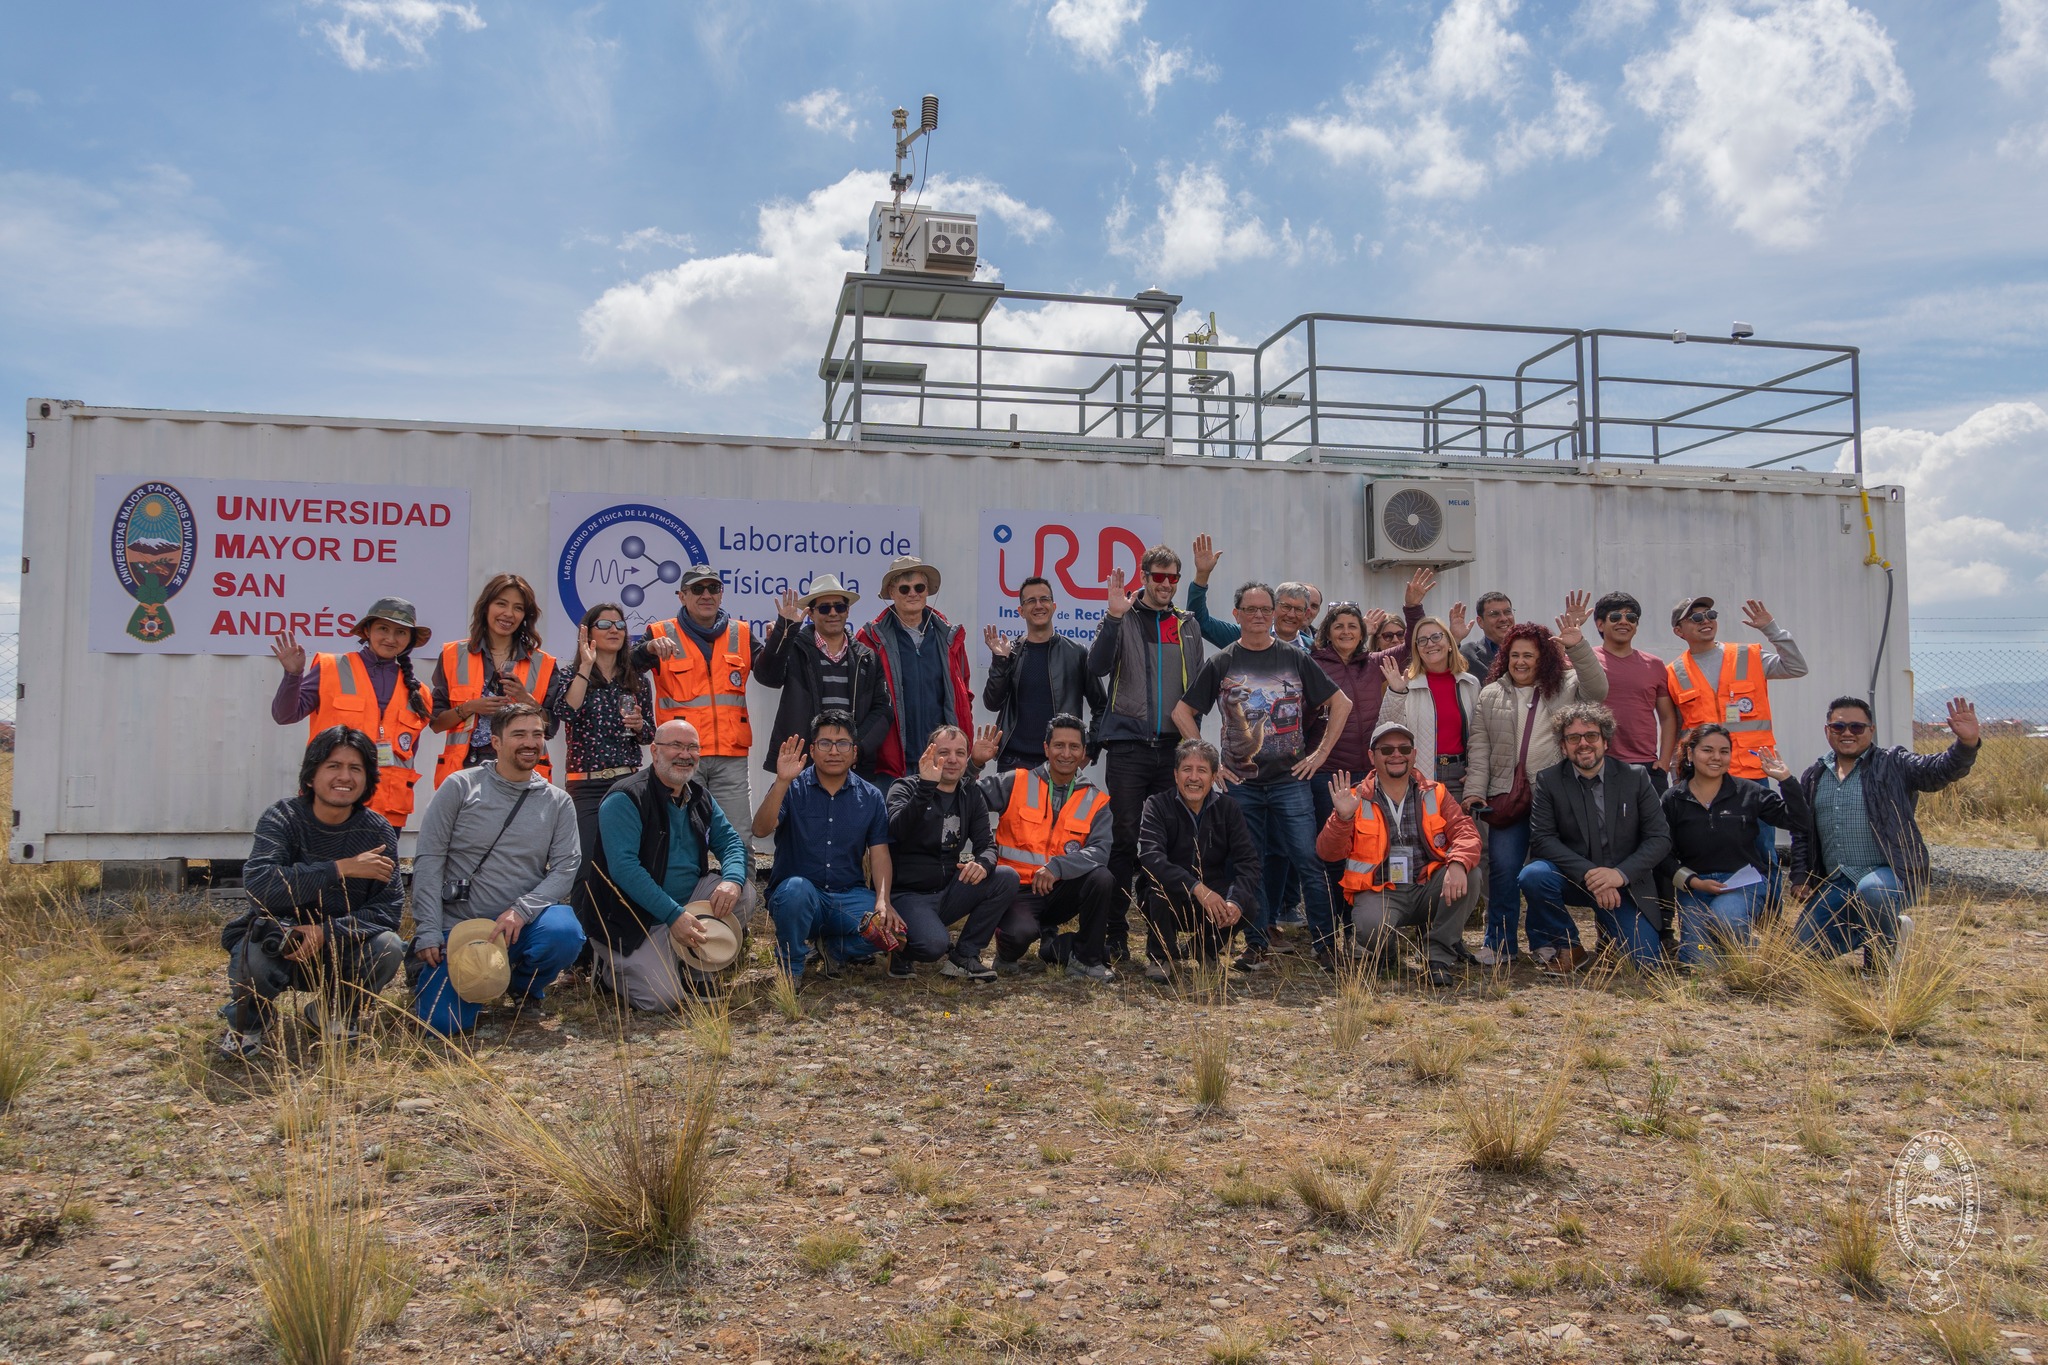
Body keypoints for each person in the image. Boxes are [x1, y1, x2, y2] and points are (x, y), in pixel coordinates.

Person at [1172, 582, 1351, 972]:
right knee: (1248, 866)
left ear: (1272, 614)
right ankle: (1256, 945)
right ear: (1236, 614)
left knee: (1309, 860)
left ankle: (1325, 946)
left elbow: (1341, 702)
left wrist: (1320, 755)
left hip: (1290, 781)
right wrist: (1209, 763)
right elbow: (1182, 712)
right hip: (1241, 784)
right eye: (1250, 609)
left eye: (1264, 609)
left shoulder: (1294, 657)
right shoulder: (1222, 662)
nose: (1258, 616)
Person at [219, 727, 408, 1058]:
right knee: (253, 954)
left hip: (340, 945)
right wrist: (342, 868)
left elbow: (388, 910)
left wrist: (325, 932)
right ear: (311, 775)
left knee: (388, 947)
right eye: (333, 766)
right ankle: (250, 1023)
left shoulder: (377, 831)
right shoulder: (283, 817)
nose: (344, 777)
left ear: (367, 779)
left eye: (355, 768)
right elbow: (260, 885)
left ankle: (332, 1014)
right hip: (281, 941)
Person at [409, 703, 586, 1033]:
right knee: (443, 1025)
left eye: (537, 734)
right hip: (460, 929)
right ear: (496, 742)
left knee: (564, 932)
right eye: (519, 735)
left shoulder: (558, 801)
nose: (530, 743)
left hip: (520, 927)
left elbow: (566, 868)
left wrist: (521, 910)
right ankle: (452, 978)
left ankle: (523, 986)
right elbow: (429, 859)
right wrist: (428, 930)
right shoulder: (460, 786)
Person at [573, 719, 755, 1011]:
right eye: (676, 746)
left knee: (744, 893)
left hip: (685, 908)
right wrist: (673, 915)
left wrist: (732, 880)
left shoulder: (699, 796)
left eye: (692, 747)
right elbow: (624, 869)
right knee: (661, 1000)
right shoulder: (626, 798)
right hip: (632, 921)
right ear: (655, 751)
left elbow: (731, 843)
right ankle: (608, 970)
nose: (685, 754)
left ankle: (695, 969)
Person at [1463, 603, 1608, 963]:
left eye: (1529, 655)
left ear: (1543, 658)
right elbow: (1479, 746)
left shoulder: (1566, 686)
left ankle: (1547, 943)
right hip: (1505, 796)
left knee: (1541, 872)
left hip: (1554, 798)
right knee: (1503, 870)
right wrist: (1475, 791)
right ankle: (1499, 944)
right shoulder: (1490, 693)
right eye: (1515, 655)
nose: (1521, 662)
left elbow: (1598, 690)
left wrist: (1578, 646)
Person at [1791, 695, 1980, 963]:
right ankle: (1891, 926)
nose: (1847, 733)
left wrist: (1966, 744)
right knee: (1798, 954)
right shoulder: (1814, 775)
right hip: (1839, 880)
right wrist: (1801, 876)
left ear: (1871, 730)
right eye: (1838, 727)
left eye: (1857, 727)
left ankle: (1880, 960)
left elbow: (1938, 770)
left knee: (1872, 891)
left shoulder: (1893, 763)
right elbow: (1803, 832)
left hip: (1891, 874)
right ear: (1827, 730)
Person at [1088, 545, 1206, 965]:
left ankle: (1160, 934)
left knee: (1167, 844)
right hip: (1129, 748)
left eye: (1174, 577)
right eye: (1159, 576)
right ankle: (1115, 933)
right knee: (1123, 839)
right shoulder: (1124, 616)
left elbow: (1198, 688)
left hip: (1173, 751)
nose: (1166, 584)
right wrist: (1113, 616)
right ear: (1144, 577)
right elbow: (1097, 666)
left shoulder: (1187, 624)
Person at [1306, 570, 1439, 914]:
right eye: (1339, 626)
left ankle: (1365, 919)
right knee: (1332, 849)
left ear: (1363, 632)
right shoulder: (1312, 664)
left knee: (1366, 848)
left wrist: (1412, 608)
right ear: (1327, 632)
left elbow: (1411, 647)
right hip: (1329, 774)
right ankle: (1335, 921)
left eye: (1353, 626)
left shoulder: (1376, 663)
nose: (1346, 631)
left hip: (1368, 775)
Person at [1316, 720, 1483, 987]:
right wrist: (1342, 819)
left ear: (1413, 754)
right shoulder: (1354, 798)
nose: (1396, 755)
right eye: (1386, 750)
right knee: (1369, 925)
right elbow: (1328, 853)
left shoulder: (1436, 793)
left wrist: (1458, 863)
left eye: (1404, 749)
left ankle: (1437, 957)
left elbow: (1466, 832)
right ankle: (1387, 953)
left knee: (1471, 875)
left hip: (1427, 887)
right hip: (1381, 891)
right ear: (1372, 756)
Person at [1519, 703, 1672, 973]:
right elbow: (1542, 838)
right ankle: (1570, 946)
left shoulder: (1635, 777)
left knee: (1644, 963)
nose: (1583, 744)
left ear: (1605, 741)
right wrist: (1591, 874)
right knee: (1534, 875)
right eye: (1573, 738)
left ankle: (1608, 933)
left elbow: (1659, 839)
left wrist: (1619, 875)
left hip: (1622, 883)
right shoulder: (1549, 781)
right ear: (1563, 746)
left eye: (1591, 735)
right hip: (1572, 878)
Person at [754, 710, 898, 983]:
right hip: (799, 898)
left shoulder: (871, 796)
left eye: (842, 743)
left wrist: (883, 901)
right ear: (812, 750)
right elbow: (760, 829)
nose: (834, 751)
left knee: (889, 931)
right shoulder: (792, 786)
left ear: (854, 752)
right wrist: (782, 781)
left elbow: (880, 855)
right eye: (825, 743)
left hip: (847, 896)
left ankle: (832, 949)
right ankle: (792, 967)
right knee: (796, 891)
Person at [269, 596, 436, 829]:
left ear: (409, 640)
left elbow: (408, 755)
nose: (391, 638)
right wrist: (293, 676)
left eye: (401, 632)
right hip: (330, 804)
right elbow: (285, 715)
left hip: (387, 812)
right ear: (367, 631)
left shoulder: (420, 693)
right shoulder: (331, 668)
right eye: (383, 629)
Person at [980, 713, 1117, 982]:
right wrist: (974, 764)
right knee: (1019, 934)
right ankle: (1015, 950)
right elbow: (967, 798)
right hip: (1018, 890)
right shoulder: (1015, 781)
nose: (1066, 754)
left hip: (1060, 889)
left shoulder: (1096, 799)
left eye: (1074, 747)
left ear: (1083, 752)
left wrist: (1058, 867)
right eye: (1059, 745)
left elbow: (1100, 851)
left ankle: (1085, 960)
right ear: (1046, 748)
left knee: (1102, 878)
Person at [1660, 725, 1807, 967]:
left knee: (1725, 917)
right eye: (1707, 750)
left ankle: (1754, 955)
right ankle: (1739, 951)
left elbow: (1798, 821)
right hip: (1695, 888)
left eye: (1724, 751)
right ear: (1690, 754)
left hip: (1743, 883)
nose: (1716, 757)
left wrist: (1786, 780)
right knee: (1700, 963)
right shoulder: (1673, 799)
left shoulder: (1749, 792)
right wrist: (1694, 882)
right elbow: (1662, 853)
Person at [634, 565, 762, 839]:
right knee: (678, 837)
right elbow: (627, 666)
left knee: (739, 837)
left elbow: (770, 673)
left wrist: (782, 637)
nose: (706, 595)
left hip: (730, 756)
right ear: (682, 596)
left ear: (721, 594)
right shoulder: (660, 633)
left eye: (713, 588)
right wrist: (647, 649)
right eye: (697, 589)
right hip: (680, 754)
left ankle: (739, 872)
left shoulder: (740, 632)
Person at [887, 724, 1018, 981]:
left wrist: (982, 864)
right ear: (929, 755)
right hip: (908, 895)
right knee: (933, 946)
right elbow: (896, 831)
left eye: (960, 753)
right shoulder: (904, 787)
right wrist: (926, 787)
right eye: (944, 752)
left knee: (1006, 877)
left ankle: (964, 956)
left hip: (948, 891)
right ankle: (900, 949)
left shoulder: (970, 794)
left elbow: (987, 845)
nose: (952, 759)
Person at [1135, 739, 1259, 979]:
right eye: (1186, 770)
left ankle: (1204, 950)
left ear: (1213, 777)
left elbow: (1248, 862)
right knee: (1158, 891)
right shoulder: (1157, 805)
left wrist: (1235, 900)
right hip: (1170, 894)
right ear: (1175, 775)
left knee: (1249, 905)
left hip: (1212, 896)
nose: (1193, 778)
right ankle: (1161, 955)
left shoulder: (1229, 808)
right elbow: (1151, 857)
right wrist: (1196, 887)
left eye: (1202, 770)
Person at [549, 600, 656, 871]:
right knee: (587, 865)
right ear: (588, 633)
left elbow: (649, 735)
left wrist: (639, 725)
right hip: (586, 786)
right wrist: (586, 666)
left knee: (627, 862)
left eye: (619, 625)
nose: (614, 630)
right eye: (605, 624)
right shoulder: (571, 674)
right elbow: (566, 712)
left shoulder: (637, 680)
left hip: (627, 782)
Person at [754, 577, 893, 781]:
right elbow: (767, 677)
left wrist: (856, 748)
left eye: (839, 607)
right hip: (801, 765)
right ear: (811, 613)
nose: (833, 613)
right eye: (825, 608)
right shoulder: (794, 648)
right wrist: (785, 629)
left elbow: (883, 709)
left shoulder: (867, 657)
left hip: (853, 769)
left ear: (848, 611)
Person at [854, 555, 974, 785]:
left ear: (927, 591)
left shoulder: (949, 637)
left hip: (941, 761)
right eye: (904, 588)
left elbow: (964, 694)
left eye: (919, 587)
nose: (913, 593)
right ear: (891, 592)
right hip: (889, 765)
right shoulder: (870, 638)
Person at [432, 573, 561, 786]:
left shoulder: (542, 663)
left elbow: (551, 728)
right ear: (486, 607)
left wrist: (526, 700)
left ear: (525, 615)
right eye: (501, 604)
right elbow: (436, 723)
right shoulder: (453, 655)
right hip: (467, 771)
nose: (508, 614)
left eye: (518, 608)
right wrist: (470, 707)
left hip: (522, 772)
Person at [1664, 596, 1807, 782]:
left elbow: (1797, 667)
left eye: (1710, 615)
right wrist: (1677, 775)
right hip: (1703, 777)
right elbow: (1677, 730)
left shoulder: (1748, 656)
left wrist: (1771, 629)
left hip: (1752, 774)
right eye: (1696, 618)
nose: (1705, 621)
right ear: (1678, 631)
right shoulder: (1674, 673)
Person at [982, 576, 1105, 772]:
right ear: (1021, 611)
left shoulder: (1077, 653)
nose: (1038, 605)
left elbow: (1102, 707)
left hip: (1060, 762)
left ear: (1053, 606)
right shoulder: (1010, 653)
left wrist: (1089, 749)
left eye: (1044, 599)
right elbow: (992, 703)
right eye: (1031, 601)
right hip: (1013, 762)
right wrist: (1000, 662)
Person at [1375, 614, 1484, 795]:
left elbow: (1479, 736)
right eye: (1422, 640)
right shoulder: (1405, 684)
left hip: (1461, 775)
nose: (1430, 644)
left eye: (1436, 637)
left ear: (1450, 643)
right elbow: (1385, 732)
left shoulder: (1470, 684)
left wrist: (1476, 773)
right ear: (1417, 649)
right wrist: (1396, 693)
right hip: (1419, 776)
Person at [1592, 592, 1678, 789]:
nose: (1624, 622)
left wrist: (1664, 762)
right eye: (1615, 616)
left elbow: (1667, 717)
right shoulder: (1586, 661)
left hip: (1647, 765)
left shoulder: (1655, 665)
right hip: (1597, 762)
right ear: (1600, 624)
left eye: (1631, 617)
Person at [1184, 533, 1317, 649]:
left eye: (1298, 609)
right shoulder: (1244, 635)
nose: (1291, 615)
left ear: (1306, 613)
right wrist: (1202, 575)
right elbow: (1199, 621)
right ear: (1274, 609)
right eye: (1286, 607)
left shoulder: (1315, 649)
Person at [1461, 591, 1515, 677]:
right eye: (1494, 614)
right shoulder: (1469, 654)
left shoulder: (1531, 649)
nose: (1503, 618)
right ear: (1480, 622)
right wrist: (1455, 639)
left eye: (1507, 612)